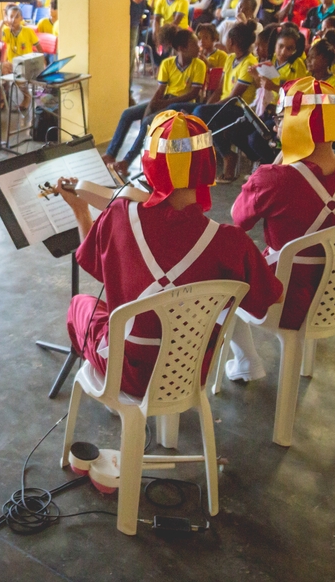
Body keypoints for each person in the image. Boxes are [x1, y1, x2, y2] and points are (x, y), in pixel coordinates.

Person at [57, 111, 283, 399]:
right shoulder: (232, 242)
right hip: (190, 372)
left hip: (130, 372)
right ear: (208, 164)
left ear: (150, 163)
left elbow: (104, 273)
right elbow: (272, 298)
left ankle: (115, 398)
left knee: (80, 304)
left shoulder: (120, 214)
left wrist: (80, 211)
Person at [225, 78, 335, 381]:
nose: (276, 126)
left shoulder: (272, 179)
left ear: (293, 124)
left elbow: (238, 219)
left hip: (284, 302)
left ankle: (246, 359)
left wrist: (279, 160)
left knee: (219, 269)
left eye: (280, 118)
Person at [107, 27, 206, 177]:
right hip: (167, 100)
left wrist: (162, 105)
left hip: (183, 105)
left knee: (149, 122)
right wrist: (150, 106)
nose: (199, 47)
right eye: (194, 44)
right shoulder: (167, 64)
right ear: (182, 48)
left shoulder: (199, 65)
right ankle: (111, 153)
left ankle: (127, 161)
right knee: (128, 113)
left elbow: (193, 94)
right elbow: (160, 91)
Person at [193, 22, 261, 181]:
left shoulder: (249, 63)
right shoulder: (230, 58)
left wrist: (207, 111)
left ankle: (227, 155)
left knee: (200, 113)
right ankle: (222, 155)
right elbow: (218, 90)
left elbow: (233, 98)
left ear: (231, 41)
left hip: (240, 109)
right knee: (187, 110)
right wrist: (207, 107)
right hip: (225, 106)